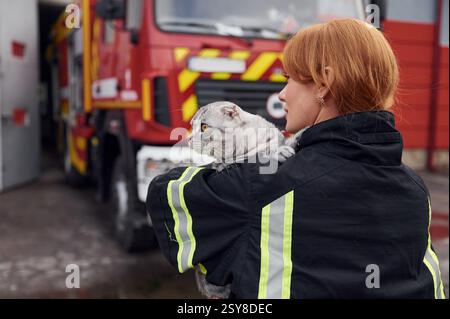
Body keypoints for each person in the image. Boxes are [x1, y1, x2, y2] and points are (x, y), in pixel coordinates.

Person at [146, 18, 446, 299]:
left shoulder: (261, 184)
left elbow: (166, 194)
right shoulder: (415, 190)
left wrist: (233, 161)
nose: (281, 94)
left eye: (289, 79)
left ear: (325, 83)